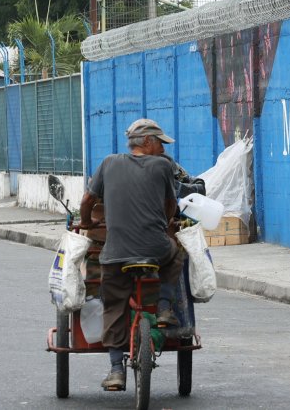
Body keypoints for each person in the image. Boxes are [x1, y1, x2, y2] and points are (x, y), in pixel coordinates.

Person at [79, 118, 186, 392]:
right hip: (155, 250)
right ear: (148, 142)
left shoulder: (108, 163)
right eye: (160, 143)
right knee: (176, 253)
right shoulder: (164, 166)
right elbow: (170, 205)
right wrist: (163, 224)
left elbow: (87, 201)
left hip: (115, 254)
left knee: (113, 303)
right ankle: (163, 306)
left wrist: (88, 223)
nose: (163, 149)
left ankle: (116, 370)